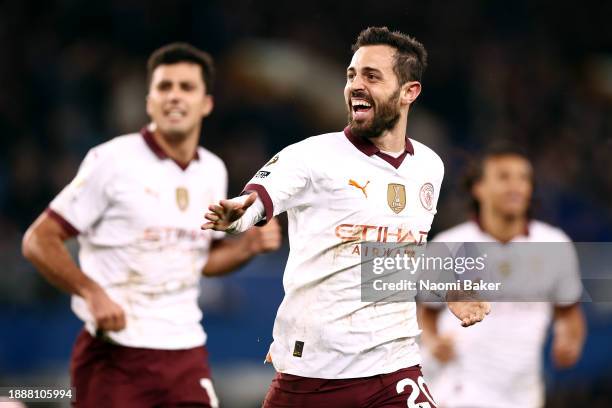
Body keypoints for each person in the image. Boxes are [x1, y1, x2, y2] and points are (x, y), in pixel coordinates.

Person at [202, 27, 490, 408]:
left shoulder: (430, 167)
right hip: (313, 376)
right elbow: (255, 200)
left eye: (372, 76)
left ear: (409, 92)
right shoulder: (310, 156)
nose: (356, 85)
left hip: (395, 369)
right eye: (352, 75)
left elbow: (397, 255)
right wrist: (239, 214)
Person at [22, 42, 281, 408]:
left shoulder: (212, 169)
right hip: (115, 354)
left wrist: (249, 248)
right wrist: (91, 292)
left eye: (186, 87)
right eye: (164, 87)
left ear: (206, 103)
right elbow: (38, 240)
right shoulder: (111, 160)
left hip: (185, 352)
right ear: (149, 101)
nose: (174, 96)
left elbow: (201, 261)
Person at [418, 144, 586, 408]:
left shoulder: (555, 244)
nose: (516, 186)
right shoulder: (449, 244)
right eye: (504, 177)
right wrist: (432, 341)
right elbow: (425, 313)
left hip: (523, 395)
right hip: (458, 391)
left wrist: (569, 340)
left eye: (523, 178)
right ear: (479, 188)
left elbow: (568, 313)